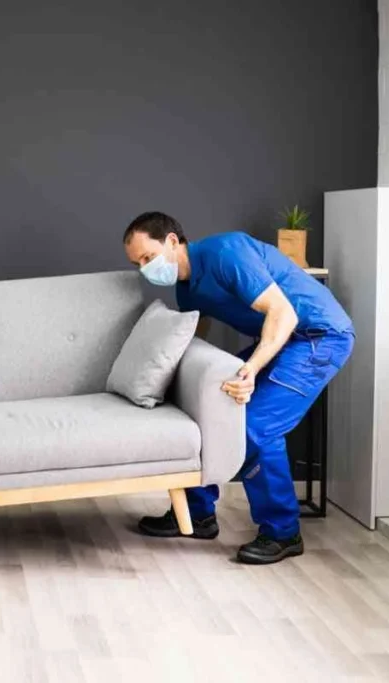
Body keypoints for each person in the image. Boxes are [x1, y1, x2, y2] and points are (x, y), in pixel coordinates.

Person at [122, 212, 354, 565]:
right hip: (281, 340)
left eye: (148, 257)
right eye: (137, 263)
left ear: (171, 241)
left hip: (318, 337)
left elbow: (284, 314)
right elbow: (195, 335)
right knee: (209, 409)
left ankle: (282, 532)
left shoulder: (226, 254)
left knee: (255, 427)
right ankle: (197, 515)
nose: (144, 269)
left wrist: (251, 370)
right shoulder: (186, 287)